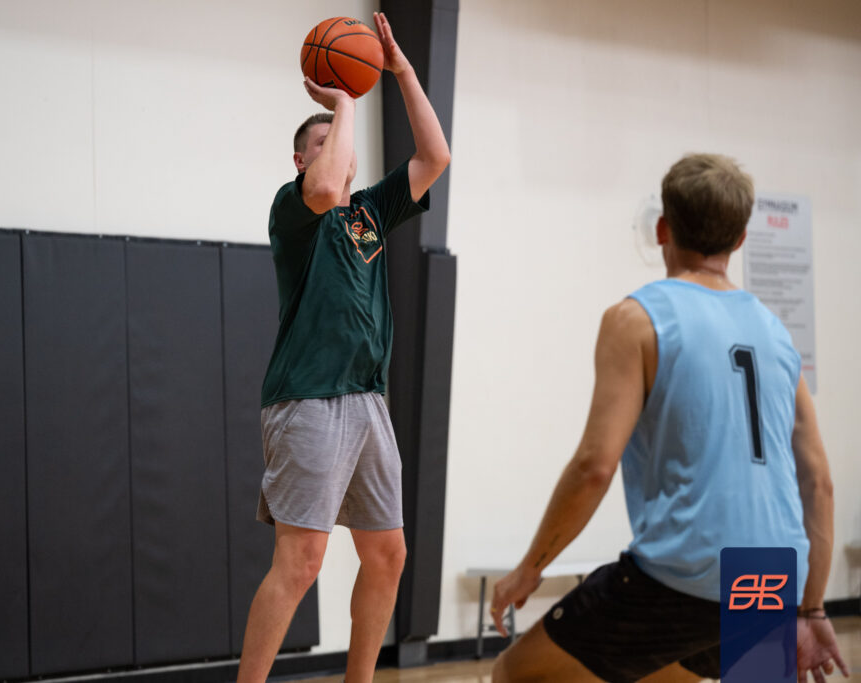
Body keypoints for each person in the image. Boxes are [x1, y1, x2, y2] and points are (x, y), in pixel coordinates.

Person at [489, 154, 849, 683]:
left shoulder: (635, 318)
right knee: (659, 674)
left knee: (517, 674)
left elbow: (594, 467)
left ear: (662, 228)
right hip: (773, 576)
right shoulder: (776, 333)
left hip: (686, 572)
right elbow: (818, 482)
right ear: (740, 239)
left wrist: (530, 568)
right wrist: (812, 608)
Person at [235, 13, 450, 683]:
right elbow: (328, 187)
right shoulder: (295, 208)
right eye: (321, 140)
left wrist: (401, 71)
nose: (338, 144)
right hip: (309, 398)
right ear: (301, 160)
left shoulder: (370, 214)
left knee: (388, 555)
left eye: (342, 138)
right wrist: (346, 101)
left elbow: (435, 157)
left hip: (367, 401)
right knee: (301, 562)